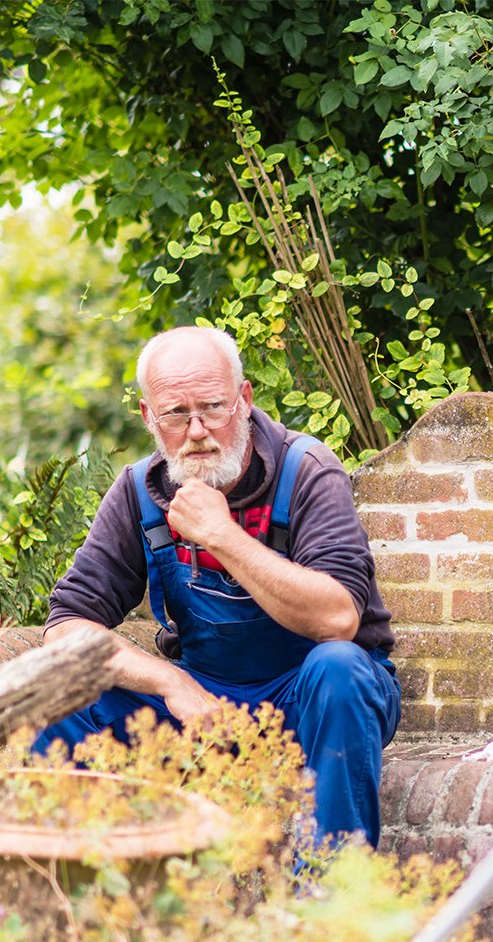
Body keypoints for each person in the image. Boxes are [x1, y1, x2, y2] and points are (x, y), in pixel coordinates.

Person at [33, 326, 402, 846]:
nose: (199, 430)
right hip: (206, 707)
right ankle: (96, 892)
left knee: (338, 666)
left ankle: (328, 896)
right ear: (148, 418)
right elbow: (66, 628)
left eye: (213, 407)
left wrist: (220, 534)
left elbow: (338, 618)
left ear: (245, 401)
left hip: (314, 699)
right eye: (177, 415)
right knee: (63, 694)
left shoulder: (308, 471)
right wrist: (171, 684)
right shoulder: (139, 492)